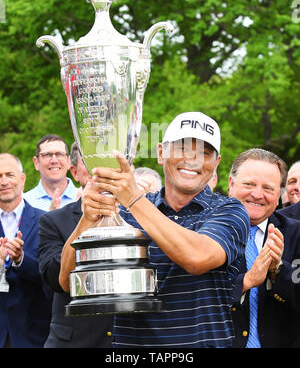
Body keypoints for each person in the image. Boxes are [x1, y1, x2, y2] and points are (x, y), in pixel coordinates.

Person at [59, 111, 250, 348]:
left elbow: (197, 257)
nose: (192, 160)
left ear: (216, 163)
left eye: (204, 153)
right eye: (181, 149)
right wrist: (87, 219)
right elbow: (68, 281)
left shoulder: (230, 210)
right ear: (160, 153)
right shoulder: (127, 213)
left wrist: (134, 199)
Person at [39, 143, 113, 348]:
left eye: (106, 162)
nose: (99, 170)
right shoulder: (52, 221)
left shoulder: (136, 217)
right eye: (91, 163)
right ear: (74, 172)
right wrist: (86, 222)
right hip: (74, 341)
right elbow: (54, 279)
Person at [228, 148, 300, 348]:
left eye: (268, 188)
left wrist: (279, 270)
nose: (257, 194)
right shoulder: (206, 229)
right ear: (231, 184)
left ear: (279, 194)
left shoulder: (295, 234)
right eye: (249, 184)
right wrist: (245, 282)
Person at [0, 153, 52, 348]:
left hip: (34, 333)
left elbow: (52, 275)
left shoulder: (46, 221)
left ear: (22, 180)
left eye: (9, 175)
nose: (4, 182)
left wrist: (20, 259)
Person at [24, 134, 78, 211]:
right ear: (36, 162)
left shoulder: (84, 198)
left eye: (59, 154)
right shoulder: (25, 203)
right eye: (47, 155)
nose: (54, 161)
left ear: (69, 161)